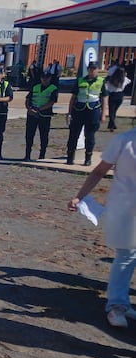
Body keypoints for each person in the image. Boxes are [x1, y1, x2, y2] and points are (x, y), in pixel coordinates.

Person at [68, 126, 136, 328]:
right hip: (125, 210)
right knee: (126, 255)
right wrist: (79, 196)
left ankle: (122, 302)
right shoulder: (124, 140)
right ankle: (116, 305)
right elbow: (99, 171)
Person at [65, 61, 108, 166]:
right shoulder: (80, 80)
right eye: (90, 68)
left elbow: (104, 98)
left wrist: (104, 114)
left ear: (97, 69)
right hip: (79, 109)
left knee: (90, 135)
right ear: (88, 69)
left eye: (94, 69)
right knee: (73, 134)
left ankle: (88, 157)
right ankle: (70, 157)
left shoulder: (101, 81)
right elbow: (73, 97)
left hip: (93, 110)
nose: (92, 70)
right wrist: (69, 112)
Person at [24, 71, 58, 161]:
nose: (45, 80)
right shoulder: (35, 87)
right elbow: (28, 99)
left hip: (45, 115)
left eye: (46, 78)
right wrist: (29, 109)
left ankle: (42, 155)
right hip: (32, 114)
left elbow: (52, 102)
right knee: (29, 135)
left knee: (43, 135)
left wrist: (40, 109)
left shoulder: (53, 88)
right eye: (43, 78)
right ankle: (27, 155)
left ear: (50, 78)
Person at [105, 67, 131, 132]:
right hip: (120, 95)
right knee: (114, 111)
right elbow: (129, 81)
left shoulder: (111, 79)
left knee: (111, 111)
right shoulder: (124, 79)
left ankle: (112, 124)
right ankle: (111, 125)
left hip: (112, 95)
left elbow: (107, 87)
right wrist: (125, 75)